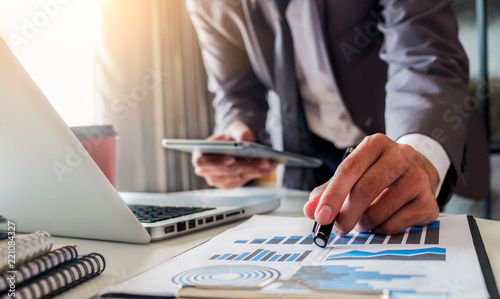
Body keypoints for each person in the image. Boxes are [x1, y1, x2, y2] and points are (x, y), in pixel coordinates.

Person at [186, 0, 490, 235]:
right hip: (307, 158)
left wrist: (418, 155)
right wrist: (236, 131)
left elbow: (424, 54)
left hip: (408, 144)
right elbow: (235, 92)